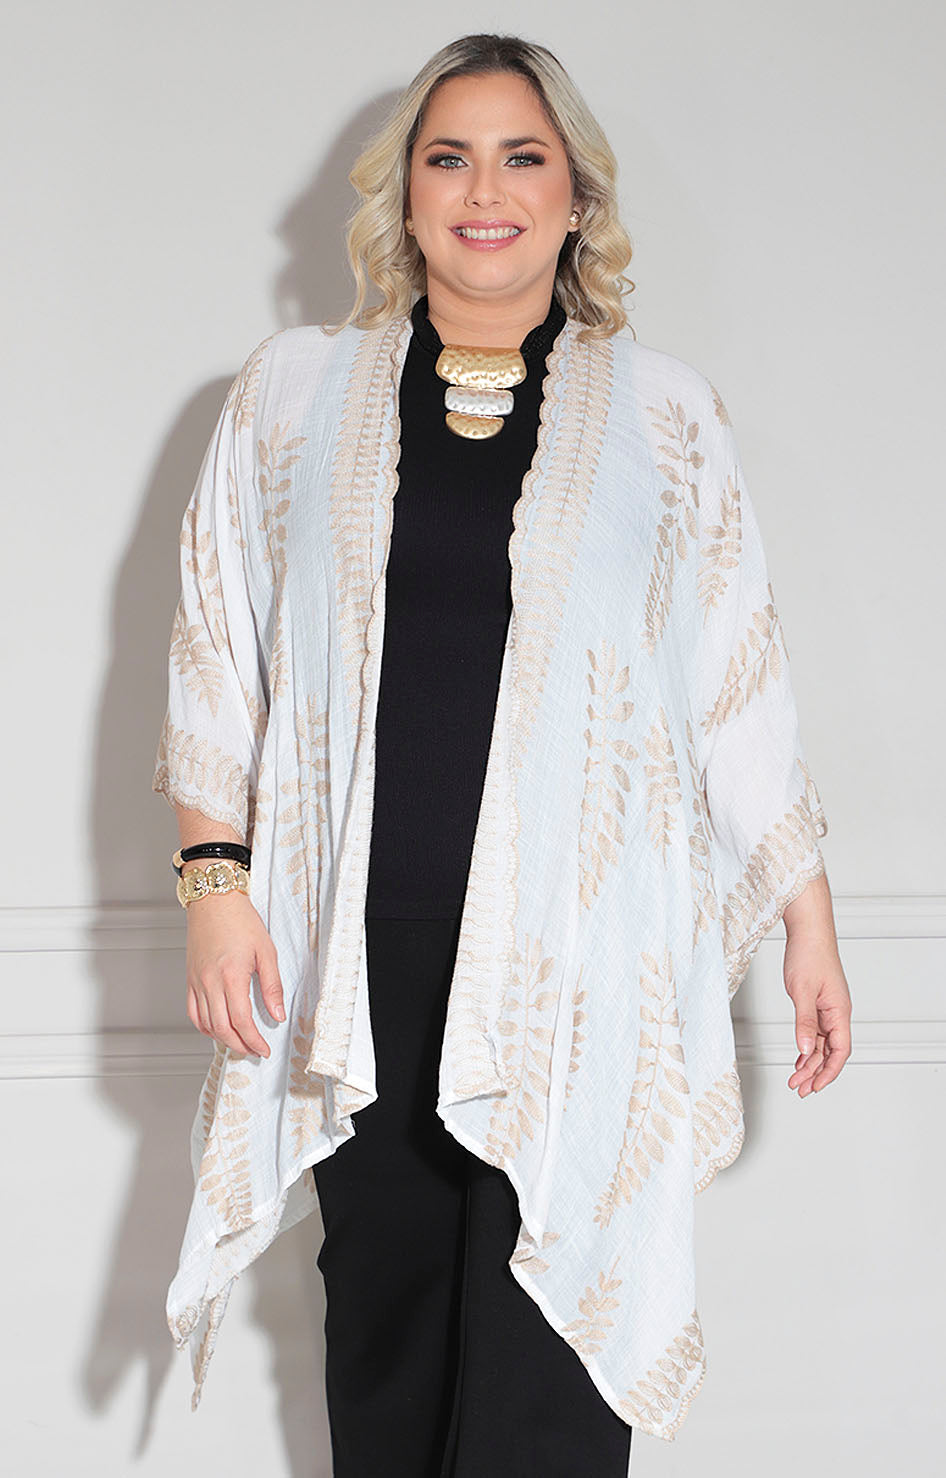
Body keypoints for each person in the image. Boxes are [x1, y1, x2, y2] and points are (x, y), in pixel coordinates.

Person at [152, 31, 852, 1477]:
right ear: (404, 194)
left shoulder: (664, 416)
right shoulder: (290, 393)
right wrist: (214, 882)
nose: (486, 191)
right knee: (388, 1369)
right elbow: (217, 640)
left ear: (575, 196)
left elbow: (735, 680)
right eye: (449, 158)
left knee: (549, 1383)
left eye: (523, 158)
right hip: (356, 972)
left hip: (579, 974)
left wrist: (807, 918)